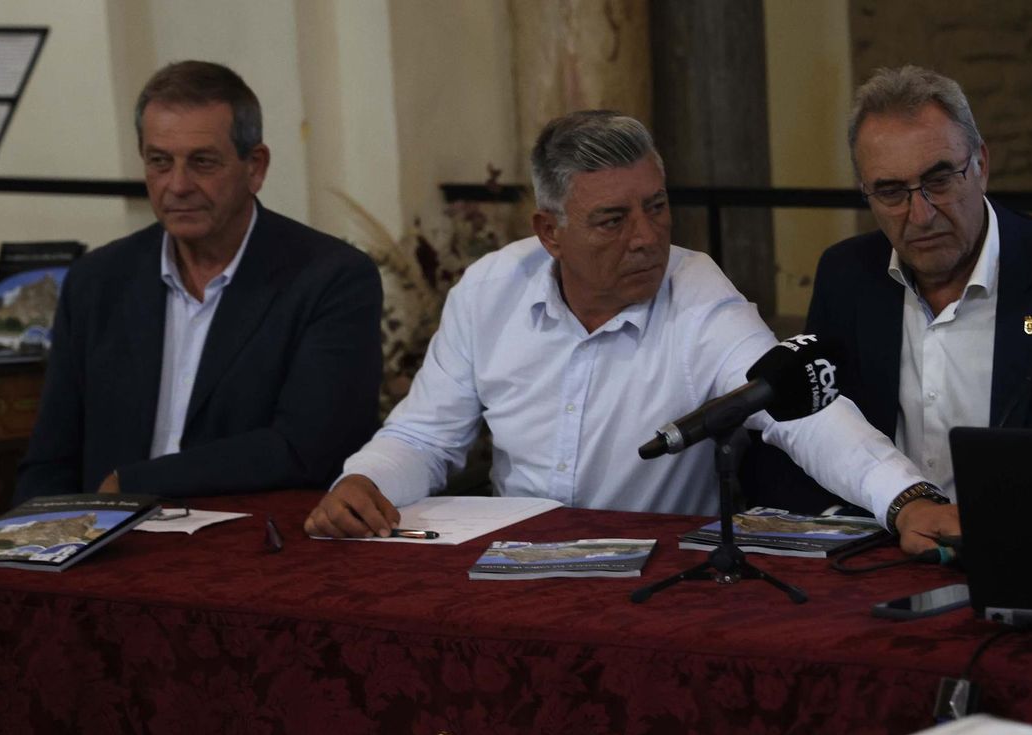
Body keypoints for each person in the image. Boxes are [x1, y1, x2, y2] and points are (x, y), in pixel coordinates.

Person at [306, 111, 960, 552]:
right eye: (613, 220)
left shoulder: (695, 291)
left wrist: (906, 498)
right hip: (510, 570)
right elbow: (425, 434)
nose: (646, 237)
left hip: (650, 578)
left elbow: (799, 411)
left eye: (657, 207)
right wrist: (365, 482)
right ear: (549, 231)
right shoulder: (489, 289)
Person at [743, 65, 1032, 513]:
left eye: (939, 181)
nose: (920, 215)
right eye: (890, 192)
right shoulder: (846, 277)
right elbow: (820, 434)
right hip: (883, 565)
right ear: (866, 192)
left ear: (981, 165)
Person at [15, 61, 382, 501]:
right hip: (105, 546)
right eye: (160, 162)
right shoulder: (97, 281)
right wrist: (34, 546)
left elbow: (308, 448)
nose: (178, 185)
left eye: (202, 163)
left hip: (250, 546)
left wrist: (134, 485)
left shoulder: (329, 278)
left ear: (256, 167)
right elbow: (50, 460)